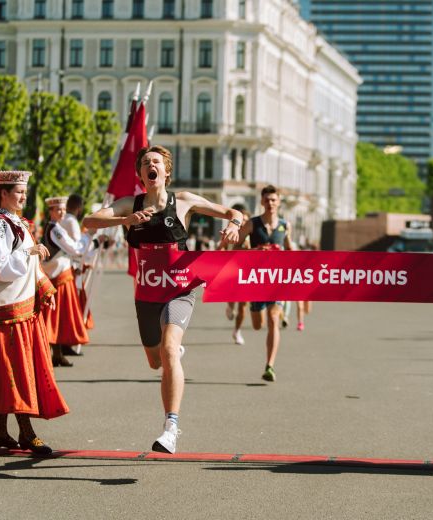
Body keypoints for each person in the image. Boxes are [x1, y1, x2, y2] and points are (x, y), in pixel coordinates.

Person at [83, 144, 242, 454]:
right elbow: (90, 221)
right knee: (155, 360)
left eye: (156, 161)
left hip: (180, 288)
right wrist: (124, 221)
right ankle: (172, 353)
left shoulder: (182, 201)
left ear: (166, 171)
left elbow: (232, 212)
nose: (150, 165)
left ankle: (171, 427)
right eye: (145, 163)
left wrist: (234, 227)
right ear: (141, 174)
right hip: (146, 293)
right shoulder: (131, 204)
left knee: (169, 350)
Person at [0, 170, 68, 455]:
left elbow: (30, 266)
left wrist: (44, 288)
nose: (23, 196)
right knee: (16, 371)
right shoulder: (0, 226)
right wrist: (31, 253)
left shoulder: (17, 223)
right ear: (3, 193)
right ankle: (26, 433)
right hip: (7, 311)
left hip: (19, 307)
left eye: (24, 192)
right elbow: (3, 267)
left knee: (6, 371)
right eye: (18, 191)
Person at [237, 185, 294, 382]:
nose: (270, 203)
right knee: (257, 324)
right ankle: (257, 313)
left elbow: (290, 250)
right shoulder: (252, 224)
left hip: (275, 280)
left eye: (273, 200)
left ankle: (270, 366)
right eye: (267, 200)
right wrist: (255, 251)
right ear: (262, 202)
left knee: (273, 320)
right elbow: (236, 249)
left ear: (279, 202)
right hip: (255, 281)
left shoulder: (285, 226)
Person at [40, 196, 92, 367]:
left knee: (59, 317)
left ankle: (58, 353)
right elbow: (76, 249)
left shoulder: (54, 227)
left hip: (61, 275)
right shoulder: (55, 229)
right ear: (51, 212)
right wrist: (91, 237)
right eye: (57, 210)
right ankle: (53, 353)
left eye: (63, 209)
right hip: (59, 277)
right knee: (57, 317)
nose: (61, 212)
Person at [224, 203, 250, 345]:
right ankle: (230, 305)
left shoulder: (251, 237)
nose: (243, 223)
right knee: (232, 296)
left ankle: (237, 331)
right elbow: (219, 249)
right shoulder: (229, 232)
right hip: (231, 272)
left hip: (246, 274)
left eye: (246, 220)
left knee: (243, 305)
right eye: (241, 220)